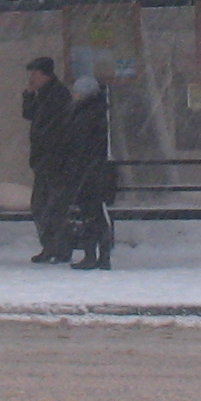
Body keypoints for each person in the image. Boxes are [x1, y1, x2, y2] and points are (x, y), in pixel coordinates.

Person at [55, 72, 116, 271]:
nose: (73, 95)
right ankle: (98, 254)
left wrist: (75, 166)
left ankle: (95, 254)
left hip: (88, 172)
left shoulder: (84, 114)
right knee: (94, 214)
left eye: (77, 92)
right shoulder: (93, 111)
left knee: (92, 214)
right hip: (90, 171)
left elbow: (80, 144)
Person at [21, 55, 70, 263]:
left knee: (53, 206)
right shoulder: (43, 94)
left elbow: (53, 127)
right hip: (44, 160)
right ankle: (51, 246)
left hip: (55, 160)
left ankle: (59, 248)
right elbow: (29, 114)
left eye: (35, 74)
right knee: (41, 205)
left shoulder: (58, 94)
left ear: (45, 75)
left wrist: (53, 154)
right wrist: (29, 95)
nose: (32, 78)